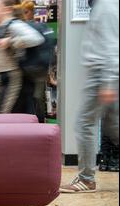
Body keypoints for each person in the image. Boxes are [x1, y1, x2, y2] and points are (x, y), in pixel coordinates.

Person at [60, 0, 118, 193]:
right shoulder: (105, 6)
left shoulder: (105, 6)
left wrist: (108, 83)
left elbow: (112, 48)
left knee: (85, 124)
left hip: (103, 74)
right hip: (103, 74)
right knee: (113, 127)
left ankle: (86, 179)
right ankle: (86, 177)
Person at [0, 0, 44, 114]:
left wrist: (11, 41)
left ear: (6, 9)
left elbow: (37, 38)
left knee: (9, 122)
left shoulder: (14, 25)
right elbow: (1, 63)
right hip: (7, 85)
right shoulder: (1, 27)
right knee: (8, 122)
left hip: (15, 85)